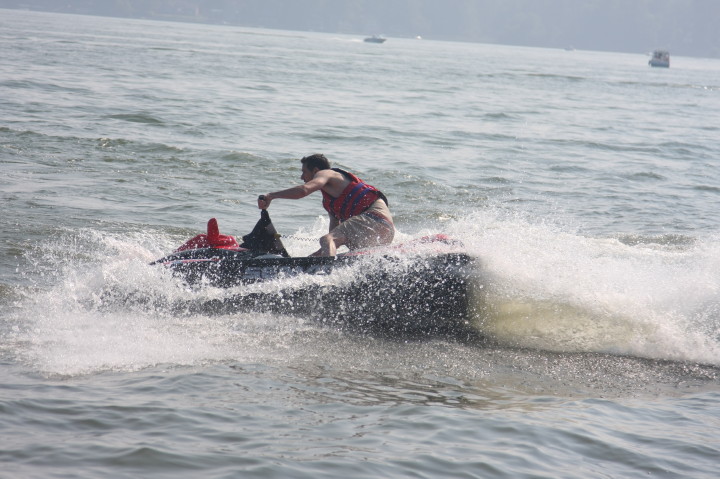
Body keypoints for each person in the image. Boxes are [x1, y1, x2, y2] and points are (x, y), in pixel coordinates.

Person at [258, 154, 394, 257]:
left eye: (304, 172)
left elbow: (303, 190)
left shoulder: (326, 173)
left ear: (315, 170)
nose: (302, 177)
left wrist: (271, 196)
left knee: (326, 239)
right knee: (328, 242)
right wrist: (309, 259)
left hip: (374, 219)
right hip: (381, 232)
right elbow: (333, 238)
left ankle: (328, 277)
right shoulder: (330, 202)